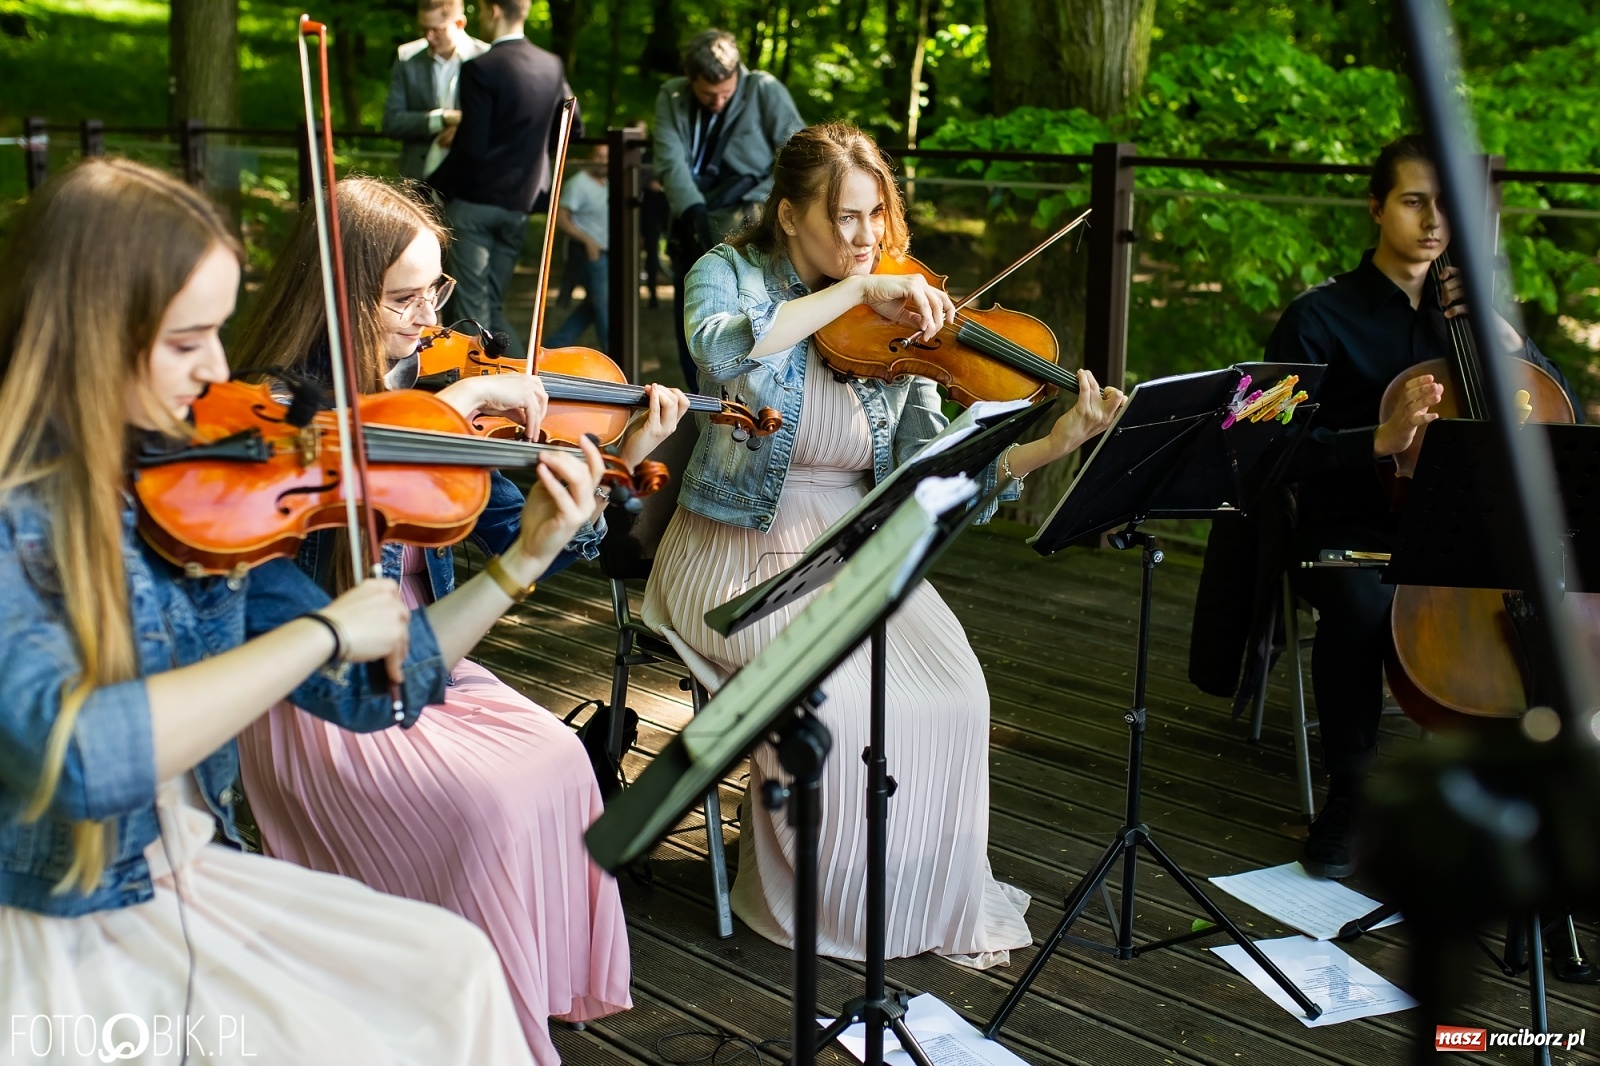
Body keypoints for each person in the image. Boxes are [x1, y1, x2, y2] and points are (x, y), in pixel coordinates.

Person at [0, 158, 610, 1064]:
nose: (218, 369)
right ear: (89, 334)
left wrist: (522, 561)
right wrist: (320, 630)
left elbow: (374, 689)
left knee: (454, 971)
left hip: (188, 870)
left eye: (217, 333)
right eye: (187, 341)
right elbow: (82, 757)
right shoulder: (21, 521)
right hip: (58, 924)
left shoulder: (198, 498)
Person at [641, 123, 1125, 965]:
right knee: (837, 703)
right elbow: (725, 352)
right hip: (735, 546)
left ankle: (907, 895)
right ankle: (823, 901)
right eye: (845, 218)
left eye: (875, 216)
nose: (867, 238)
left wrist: (1052, 444)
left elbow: (931, 478)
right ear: (790, 215)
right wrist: (857, 292)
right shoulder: (727, 272)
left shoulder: (904, 316)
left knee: (956, 694)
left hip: (853, 545)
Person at [231, 177, 689, 1064]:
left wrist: (610, 471)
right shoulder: (282, 410)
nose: (427, 319)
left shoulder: (437, 394)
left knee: (563, 762)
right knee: (489, 805)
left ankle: (518, 994)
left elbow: (527, 542)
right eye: (402, 298)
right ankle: (461, 1019)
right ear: (337, 293)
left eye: (435, 291)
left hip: (432, 659)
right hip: (325, 690)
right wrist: (442, 414)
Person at [1260, 134, 1578, 879]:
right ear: (1376, 208)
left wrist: (1513, 342)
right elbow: (1265, 446)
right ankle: (1352, 791)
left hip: (1464, 530)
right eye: (1413, 202)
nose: (1434, 221)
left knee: (1546, 600)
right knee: (1360, 605)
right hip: (1351, 526)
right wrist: (1376, 439)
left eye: (1445, 205)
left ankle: (1523, 777)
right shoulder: (1317, 318)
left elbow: (1558, 413)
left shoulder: (1474, 318)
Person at [428, 0, 578, 362]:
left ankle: (483, 386)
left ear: (493, 10)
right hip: (521, 204)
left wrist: (430, 185)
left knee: (473, 311)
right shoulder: (551, 65)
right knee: (492, 307)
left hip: (475, 205)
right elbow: (574, 126)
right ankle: (529, 377)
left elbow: (472, 148)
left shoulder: (481, 68)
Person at [654, 29, 803, 390]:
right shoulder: (672, 95)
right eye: (708, 95)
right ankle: (699, 400)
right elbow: (670, 160)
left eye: (726, 93)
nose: (718, 102)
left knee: (752, 316)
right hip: (692, 222)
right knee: (694, 322)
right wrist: (693, 211)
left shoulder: (764, 89)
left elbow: (798, 155)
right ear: (691, 80)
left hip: (753, 223)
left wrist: (760, 200)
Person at [382, 0, 490, 181]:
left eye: (437, 30)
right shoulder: (407, 58)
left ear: (459, 23)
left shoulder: (486, 58)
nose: (429, 37)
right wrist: (441, 118)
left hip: (472, 179)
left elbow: (501, 120)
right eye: (424, 29)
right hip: (418, 180)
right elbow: (391, 122)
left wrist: (464, 127)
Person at [550, 144, 612, 353]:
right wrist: (588, 242)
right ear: (590, 157)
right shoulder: (578, 184)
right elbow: (561, 218)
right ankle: (614, 357)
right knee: (604, 307)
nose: (603, 161)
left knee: (592, 307)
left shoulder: (607, 184)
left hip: (607, 254)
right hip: (590, 256)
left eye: (607, 157)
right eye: (599, 156)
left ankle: (554, 346)